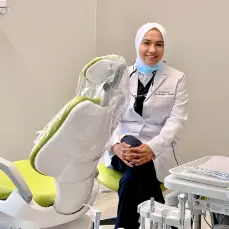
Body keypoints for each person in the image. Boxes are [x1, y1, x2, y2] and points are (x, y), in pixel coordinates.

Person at [104, 22, 188, 229]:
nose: (152, 50)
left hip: (156, 151)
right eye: (147, 43)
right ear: (137, 44)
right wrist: (115, 145)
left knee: (130, 181)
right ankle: (167, 222)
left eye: (159, 44)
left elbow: (176, 121)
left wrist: (152, 148)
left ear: (164, 47)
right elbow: (108, 117)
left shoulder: (177, 78)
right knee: (131, 142)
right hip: (121, 150)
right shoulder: (120, 75)